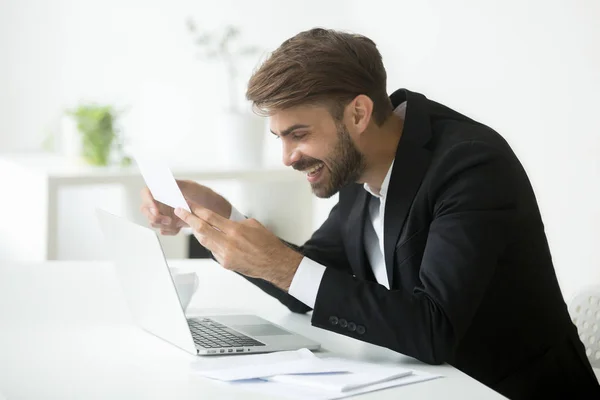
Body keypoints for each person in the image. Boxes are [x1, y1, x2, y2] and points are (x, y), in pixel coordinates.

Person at [140, 28, 600, 399]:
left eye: (298, 133)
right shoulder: (360, 165)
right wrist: (222, 216)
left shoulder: (471, 165)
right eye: (279, 136)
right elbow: (311, 281)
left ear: (358, 113)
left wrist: (282, 265)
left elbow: (435, 328)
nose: (287, 157)